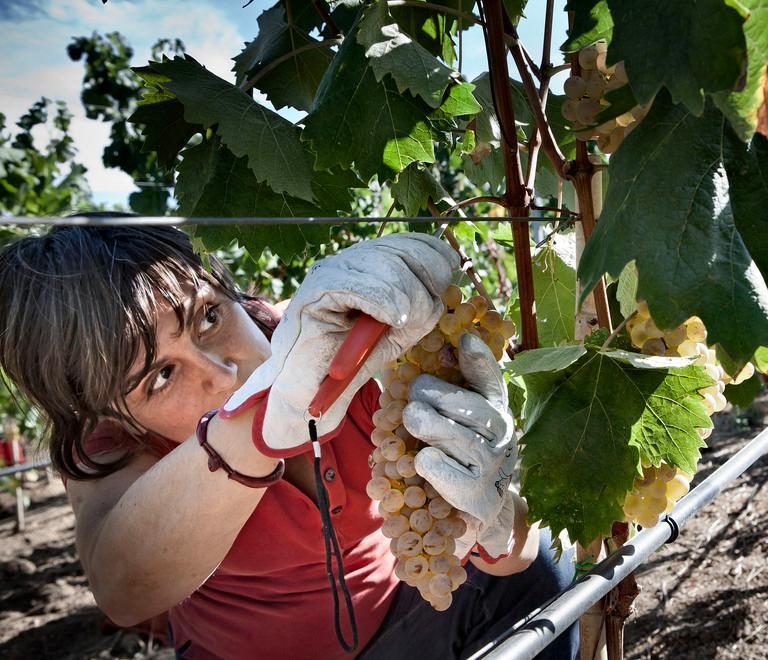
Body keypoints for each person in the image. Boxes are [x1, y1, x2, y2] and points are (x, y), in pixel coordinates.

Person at [0, 224, 578, 659]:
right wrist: (257, 425)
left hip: (412, 617)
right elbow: (121, 590)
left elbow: (514, 556)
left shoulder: (333, 340)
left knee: (543, 571)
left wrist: (498, 524)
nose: (222, 372)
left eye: (207, 318)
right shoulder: (108, 446)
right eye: (160, 376)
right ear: (110, 409)